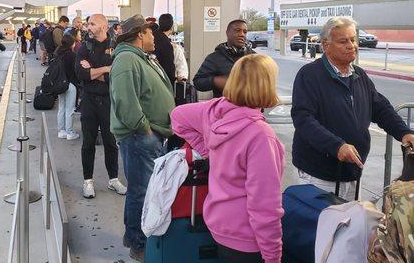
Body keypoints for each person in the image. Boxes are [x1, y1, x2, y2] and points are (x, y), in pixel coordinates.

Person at [171, 54, 284, 263]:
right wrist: (273, 256)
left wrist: (208, 149)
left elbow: (177, 117)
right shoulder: (261, 136)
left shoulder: (213, 110)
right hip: (247, 237)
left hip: (219, 224)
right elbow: (264, 205)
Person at [291, 17, 414, 200]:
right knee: (322, 227)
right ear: (326, 45)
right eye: (343, 41)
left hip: (352, 173)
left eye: (353, 39)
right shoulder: (309, 75)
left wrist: (404, 133)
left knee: (349, 226)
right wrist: (336, 146)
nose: (351, 45)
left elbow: (380, 108)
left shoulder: (359, 74)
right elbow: (303, 119)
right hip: (319, 177)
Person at [110, 14, 175, 261]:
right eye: (149, 32)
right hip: (140, 138)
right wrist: (145, 128)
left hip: (148, 136)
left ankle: (133, 237)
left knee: (141, 190)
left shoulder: (139, 57)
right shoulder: (127, 59)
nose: (153, 37)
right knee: (142, 191)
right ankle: (139, 244)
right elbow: (126, 103)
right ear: (139, 34)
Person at [75, 14, 126, 199]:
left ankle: (113, 179)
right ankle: (87, 181)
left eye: (92, 24)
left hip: (108, 101)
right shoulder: (83, 48)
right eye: (88, 24)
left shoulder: (116, 48)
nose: (88, 27)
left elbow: (116, 75)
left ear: (104, 27)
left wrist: (93, 71)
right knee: (88, 143)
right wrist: (105, 69)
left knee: (111, 142)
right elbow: (81, 74)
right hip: (88, 101)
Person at [193, 19, 255, 97]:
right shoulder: (214, 58)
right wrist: (215, 81)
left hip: (251, 106)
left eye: (245, 32)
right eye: (237, 30)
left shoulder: (254, 57)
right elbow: (198, 82)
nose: (242, 34)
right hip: (225, 107)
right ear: (227, 33)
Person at [56, 35, 80, 141]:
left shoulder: (58, 53)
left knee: (61, 108)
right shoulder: (72, 55)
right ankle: (70, 132)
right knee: (69, 109)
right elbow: (75, 71)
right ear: (71, 43)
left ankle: (61, 131)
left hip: (60, 84)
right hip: (70, 84)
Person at [153, 13, 176, 84]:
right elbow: (169, 67)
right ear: (171, 26)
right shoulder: (166, 43)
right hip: (161, 81)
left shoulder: (153, 35)